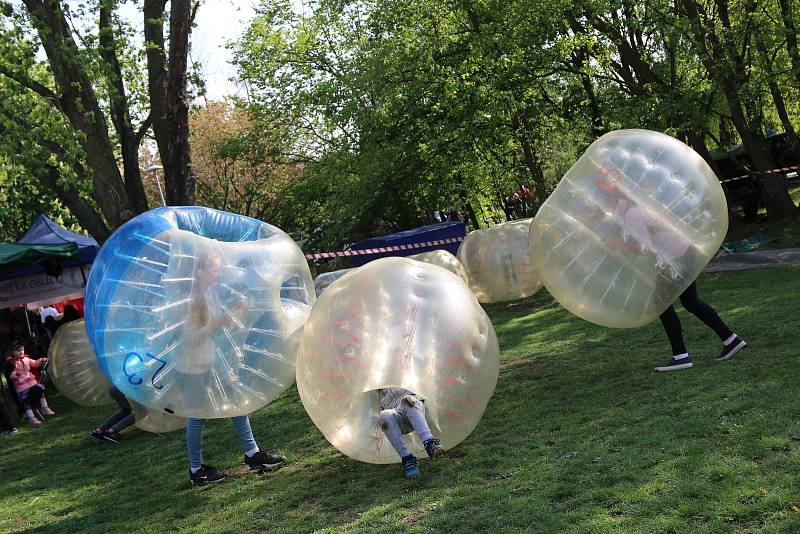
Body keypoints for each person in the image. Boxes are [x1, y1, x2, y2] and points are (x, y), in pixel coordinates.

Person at [608, 187, 747, 372]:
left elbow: (646, 248)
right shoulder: (637, 210)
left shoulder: (632, 215)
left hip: (676, 259)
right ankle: (731, 340)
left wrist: (617, 245)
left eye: (607, 202)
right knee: (690, 302)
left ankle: (680, 356)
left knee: (662, 305)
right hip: (683, 254)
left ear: (617, 201)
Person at [183, 250, 285, 485]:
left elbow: (223, 327)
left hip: (211, 362)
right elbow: (190, 340)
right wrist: (216, 323)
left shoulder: (209, 294)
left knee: (236, 400)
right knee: (197, 417)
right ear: (201, 272)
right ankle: (196, 470)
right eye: (215, 270)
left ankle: (252, 454)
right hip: (194, 367)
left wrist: (238, 311)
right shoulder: (193, 300)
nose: (219, 274)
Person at [377, 387, 445, 479]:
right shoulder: (379, 380)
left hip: (415, 408)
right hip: (396, 415)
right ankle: (408, 459)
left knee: (407, 400)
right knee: (383, 415)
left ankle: (430, 443)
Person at [6, 340, 55, 424]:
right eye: (18, 351)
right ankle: (31, 417)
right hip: (22, 386)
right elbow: (10, 375)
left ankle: (45, 407)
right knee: (27, 401)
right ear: (13, 352)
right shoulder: (12, 362)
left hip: (32, 383)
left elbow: (35, 364)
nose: (21, 352)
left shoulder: (26, 358)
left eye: (22, 350)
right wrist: (16, 373)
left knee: (40, 391)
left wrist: (41, 360)